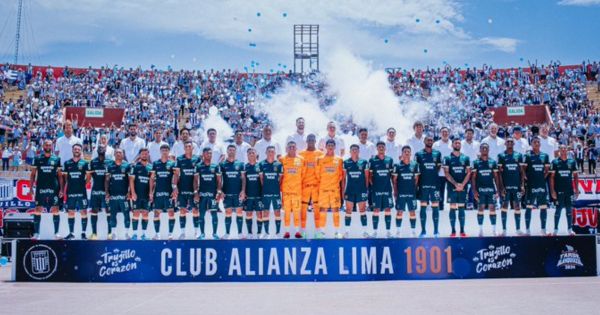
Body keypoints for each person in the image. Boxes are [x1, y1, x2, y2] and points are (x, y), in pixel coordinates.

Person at [29, 139, 63, 240]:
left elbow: (60, 176)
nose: (48, 147)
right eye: (46, 145)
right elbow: (33, 174)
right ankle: (37, 234)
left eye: (50, 145)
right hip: (41, 188)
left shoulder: (57, 159)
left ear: (52, 146)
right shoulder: (37, 158)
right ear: (43, 146)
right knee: (38, 209)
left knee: (55, 209)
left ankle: (56, 233)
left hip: (54, 188)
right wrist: (31, 188)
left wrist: (61, 189)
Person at [316, 140, 344, 238]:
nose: (330, 147)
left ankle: (337, 232)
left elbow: (340, 175)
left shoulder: (339, 159)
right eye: (329, 145)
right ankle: (322, 232)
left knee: (335, 210)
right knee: (323, 210)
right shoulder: (320, 159)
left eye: (332, 145)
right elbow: (317, 174)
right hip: (323, 189)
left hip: (334, 190)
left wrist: (334, 183)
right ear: (326, 147)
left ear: (335, 147)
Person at [497, 138, 526, 236]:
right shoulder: (501, 156)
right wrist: (501, 187)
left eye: (511, 142)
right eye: (508, 142)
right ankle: (504, 230)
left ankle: (518, 229)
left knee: (517, 206)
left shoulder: (519, 155)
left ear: (513, 143)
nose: (509, 143)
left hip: (516, 186)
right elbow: (500, 173)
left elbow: (522, 172)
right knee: (504, 206)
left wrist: (522, 185)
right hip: (506, 187)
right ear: (505, 144)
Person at [415, 136, 442, 237]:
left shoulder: (437, 153)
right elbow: (416, 169)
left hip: (434, 183)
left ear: (433, 142)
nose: (430, 141)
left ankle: (436, 231)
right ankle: (423, 231)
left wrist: (432, 174)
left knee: (435, 205)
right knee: (423, 206)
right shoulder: (418, 154)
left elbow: (438, 168)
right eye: (428, 140)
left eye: (431, 140)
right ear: (424, 141)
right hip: (423, 184)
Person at [471, 143, 500, 236]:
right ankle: (480, 230)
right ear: (480, 150)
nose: (484, 150)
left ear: (488, 150)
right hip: (480, 190)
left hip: (491, 189)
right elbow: (473, 178)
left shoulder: (493, 162)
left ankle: (494, 230)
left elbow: (496, 177)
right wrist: (474, 191)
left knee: (492, 208)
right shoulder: (476, 162)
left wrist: (498, 190)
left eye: (486, 148)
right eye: (482, 148)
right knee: (481, 208)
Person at [443, 139, 471, 238]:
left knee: (462, 207)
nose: (457, 144)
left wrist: (462, 184)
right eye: (456, 143)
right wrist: (455, 184)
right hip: (452, 186)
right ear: (452, 145)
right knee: (453, 207)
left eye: (459, 143)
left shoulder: (466, 158)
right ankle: (453, 231)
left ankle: (462, 230)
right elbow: (446, 173)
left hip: (463, 186)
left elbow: (468, 172)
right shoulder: (447, 158)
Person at [524, 137, 551, 235]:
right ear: (531, 144)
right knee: (529, 206)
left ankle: (543, 229)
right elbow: (523, 169)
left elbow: (547, 170)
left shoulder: (545, 156)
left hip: (541, 185)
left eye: (538, 142)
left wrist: (541, 178)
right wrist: (527, 179)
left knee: (543, 207)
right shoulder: (527, 155)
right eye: (534, 142)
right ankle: (527, 230)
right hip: (531, 185)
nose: (537, 144)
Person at [149, 144, 177, 240]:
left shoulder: (172, 164)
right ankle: (157, 234)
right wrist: (151, 192)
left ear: (169, 152)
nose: (164, 151)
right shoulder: (156, 164)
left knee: (171, 213)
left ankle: (170, 234)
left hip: (169, 192)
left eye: (166, 150)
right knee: (156, 213)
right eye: (163, 150)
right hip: (158, 192)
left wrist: (175, 189)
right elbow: (152, 179)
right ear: (160, 152)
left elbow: (176, 177)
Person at [173, 141, 200, 239]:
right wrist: (174, 186)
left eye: (190, 146)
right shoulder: (180, 159)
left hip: (194, 189)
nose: (188, 148)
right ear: (184, 148)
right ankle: (182, 232)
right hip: (182, 188)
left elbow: (199, 175)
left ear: (193, 148)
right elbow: (176, 174)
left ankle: (196, 232)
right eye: (186, 146)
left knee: (195, 210)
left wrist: (197, 190)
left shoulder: (197, 159)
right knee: (182, 210)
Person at [550, 144, 579, 235]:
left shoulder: (572, 162)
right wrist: (552, 191)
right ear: (559, 150)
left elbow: (575, 176)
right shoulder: (554, 162)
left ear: (567, 150)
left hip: (569, 190)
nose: (563, 150)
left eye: (564, 148)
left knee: (569, 210)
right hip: (558, 191)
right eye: (561, 148)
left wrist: (577, 190)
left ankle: (570, 229)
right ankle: (555, 229)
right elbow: (551, 178)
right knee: (558, 209)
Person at [62, 144, 89, 240]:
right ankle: (71, 233)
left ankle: (83, 233)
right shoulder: (67, 163)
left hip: (82, 192)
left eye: (78, 149)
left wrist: (83, 184)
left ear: (81, 151)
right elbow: (65, 179)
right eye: (75, 149)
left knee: (84, 211)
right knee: (70, 212)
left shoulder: (85, 163)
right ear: (72, 150)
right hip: (71, 192)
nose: (77, 150)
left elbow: (88, 177)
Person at [298, 134, 324, 235]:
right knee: (303, 208)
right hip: (305, 185)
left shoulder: (320, 154)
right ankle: (303, 230)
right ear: (306, 141)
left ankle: (318, 230)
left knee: (317, 208)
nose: (311, 141)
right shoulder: (301, 154)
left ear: (315, 141)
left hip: (316, 185)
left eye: (313, 140)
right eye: (309, 140)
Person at [368, 141, 395, 238]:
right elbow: (370, 176)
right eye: (379, 147)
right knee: (376, 209)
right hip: (376, 190)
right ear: (377, 148)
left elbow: (392, 176)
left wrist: (394, 188)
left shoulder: (390, 160)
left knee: (388, 209)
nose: (381, 148)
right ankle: (375, 232)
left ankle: (388, 232)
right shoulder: (372, 161)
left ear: (385, 148)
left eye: (382, 147)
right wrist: (374, 186)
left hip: (387, 189)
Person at [392, 146, 419, 237]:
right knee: (399, 212)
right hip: (401, 193)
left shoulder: (415, 165)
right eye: (405, 151)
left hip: (411, 193)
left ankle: (413, 231)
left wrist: (413, 190)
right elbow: (394, 180)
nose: (407, 153)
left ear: (411, 153)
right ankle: (398, 231)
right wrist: (395, 192)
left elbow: (416, 180)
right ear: (402, 153)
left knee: (412, 212)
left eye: (408, 151)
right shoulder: (397, 165)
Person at [343, 144, 370, 237]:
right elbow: (343, 178)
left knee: (362, 209)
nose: (354, 151)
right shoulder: (346, 162)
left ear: (359, 151)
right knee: (348, 210)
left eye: (356, 149)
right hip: (350, 190)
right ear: (350, 152)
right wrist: (343, 190)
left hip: (361, 190)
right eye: (353, 149)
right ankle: (347, 232)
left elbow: (367, 177)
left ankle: (365, 231)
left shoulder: (364, 162)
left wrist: (366, 189)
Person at [280, 141, 305, 239]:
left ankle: (297, 232)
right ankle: (286, 232)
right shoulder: (282, 159)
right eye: (290, 147)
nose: (291, 149)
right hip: (286, 191)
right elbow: (281, 176)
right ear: (287, 148)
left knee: (296, 211)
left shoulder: (301, 159)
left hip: (297, 191)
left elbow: (303, 175)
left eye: (293, 147)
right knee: (286, 211)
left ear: (296, 148)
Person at [196, 147, 223, 240]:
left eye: (211, 153)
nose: (209, 155)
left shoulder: (215, 166)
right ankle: (202, 234)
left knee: (214, 214)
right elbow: (195, 181)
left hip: (213, 195)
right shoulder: (199, 166)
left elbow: (219, 181)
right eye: (207, 153)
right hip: (202, 195)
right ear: (203, 154)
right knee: (201, 214)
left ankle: (215, 234)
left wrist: (219, 192)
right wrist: (196, 192)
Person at [86, 145, 112, 240]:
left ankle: (109, 233)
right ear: (97, 151)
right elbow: (89, 177)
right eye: (100, 148)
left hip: (106, 191)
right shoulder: (93, 162)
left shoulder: (110, 162)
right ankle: (94, 234)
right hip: (96, 190)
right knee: (94, 211)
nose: (101, 150)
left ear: (106, 150)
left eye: (103, 148)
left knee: (108, 211)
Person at [220, 145, 246, 239]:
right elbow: (219, 179)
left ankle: (239, 233)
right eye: (230, 150)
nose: (231, 151)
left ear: (235, 152)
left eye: (233, 150)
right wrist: (220, 191)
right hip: (227, 193)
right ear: (227, 151)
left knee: (239, 212)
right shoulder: (222, 164)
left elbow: (243, 178)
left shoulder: (240, 164)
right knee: (228, 212)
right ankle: (227, 233)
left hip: (238, 193)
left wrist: (243, 190)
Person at [105, 149, 131, 240]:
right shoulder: (110, 166)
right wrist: (107, 192)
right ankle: (114, 233)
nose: (118, 154)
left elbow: (130, 180)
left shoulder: (127, 166)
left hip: (124, 196)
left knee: (126, 214)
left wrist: (129, 192)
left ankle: (127, 233)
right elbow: (107, 180)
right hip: (113, 195)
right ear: (114, 154)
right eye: (116, 153)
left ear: (123, 154)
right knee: (112, 214)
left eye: (120, 153)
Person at [258, 146, 283, 238]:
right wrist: (266, 187)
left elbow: (280, 179)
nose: (270, 153)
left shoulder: (279, 165)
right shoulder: (261, 164)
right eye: (269, 151)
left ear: (275, 153)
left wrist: (275, 187)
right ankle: (266, 232)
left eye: (272, 152)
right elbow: (261, 179)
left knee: (277, 212)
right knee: (266, 212)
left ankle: (278, 232)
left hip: (276, 192)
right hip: (265, 192)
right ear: (266, 152)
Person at [129, 148, 152, 240]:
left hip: (146, 194)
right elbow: (131, 180)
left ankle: (144, 234)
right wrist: (133, 193)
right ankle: (134, 234)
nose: (144, 155)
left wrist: (151, 193)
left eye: (146, 154)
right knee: (136, 213)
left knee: (145, 213)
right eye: (142, 154)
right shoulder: (135, 166)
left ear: (148, 155)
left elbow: (152, 181)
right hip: (137, 194)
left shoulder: (151, 167)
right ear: (140, 155)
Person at [242, 148, 262, 239]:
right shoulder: (245, 167)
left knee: (259, 214)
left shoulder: (260, 166)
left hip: (258, 195)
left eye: (253, 153)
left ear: (256, 154)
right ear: (247, 155)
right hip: (248, 195)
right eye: (249, 153)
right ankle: (249, 233)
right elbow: (243, 180)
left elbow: (262, 181)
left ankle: (259, 233)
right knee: (248, 214)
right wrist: (243, 192)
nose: (251, 154)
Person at [433, 127, 452, 212]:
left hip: (451, 172)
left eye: (446, 132)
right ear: (440, 133)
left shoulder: (452, 143)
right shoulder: (436, 144)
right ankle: (440, 207)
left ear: (449, 133)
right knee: (440, 190)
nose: (445, 133)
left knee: (451, 189)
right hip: (439, 172)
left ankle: (452, 207)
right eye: (443, 132)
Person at [462, 128, 480, 210]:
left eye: (471, 133)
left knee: (474, 186)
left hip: (474, 169)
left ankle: (473, 202)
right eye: (467, 133)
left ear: (473, 135)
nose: (469, 135)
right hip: (464, 168)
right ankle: (464, 203)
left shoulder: (477, 144)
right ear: (465, 134)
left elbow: (479, 155)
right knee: (465, 185)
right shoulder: (461, 143)